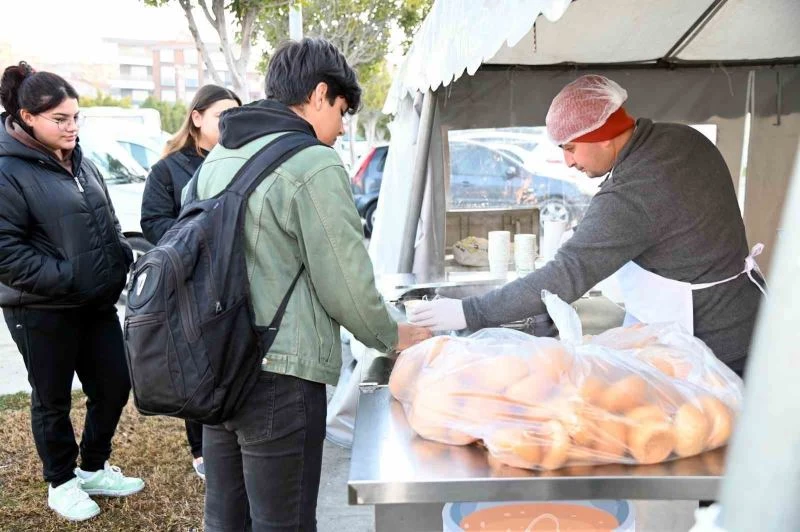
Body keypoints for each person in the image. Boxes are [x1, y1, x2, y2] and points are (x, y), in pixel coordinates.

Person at [189, 38, 431, 531]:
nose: (342, 128)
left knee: (225, 518)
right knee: (285, 522)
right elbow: (346, 284)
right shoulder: (312, 163)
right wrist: (395, 336)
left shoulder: (220, 157)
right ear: (320, 94)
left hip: (216, 363)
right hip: (280, 375)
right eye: (342, 111)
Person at [408, 74, 764, 379]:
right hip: (748, 325)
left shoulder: (630, 192)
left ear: (603, 135)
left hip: (709, 349)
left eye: (571, 147)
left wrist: (470, 311)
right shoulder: (682, 139)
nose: (567, 161)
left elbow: (565, 276)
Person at [0, 62, 144, 522]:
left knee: (115, 384)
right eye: (60, 119)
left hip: (94, 303)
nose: (72, 127)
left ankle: (93, 466)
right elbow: (5, 252)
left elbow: (106, 221)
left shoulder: (81, 160)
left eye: (76, 117)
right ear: (26, 117)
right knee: (52, 398)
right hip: (40, 308)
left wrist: (119, 254)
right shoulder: (7, 171)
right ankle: (61, 482)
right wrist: (68, 277)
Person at [140, 84, 241, 480]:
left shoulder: (238, 159)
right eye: (221, 115)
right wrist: (195, 236)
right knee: (195, 361)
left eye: (235, 115)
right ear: (197, 117)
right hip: (189, 279)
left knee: (229, 356)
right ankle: (200, 450)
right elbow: (152, 222)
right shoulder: (167, 169)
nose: (229, 123)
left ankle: (228, 434)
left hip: (230, 278)